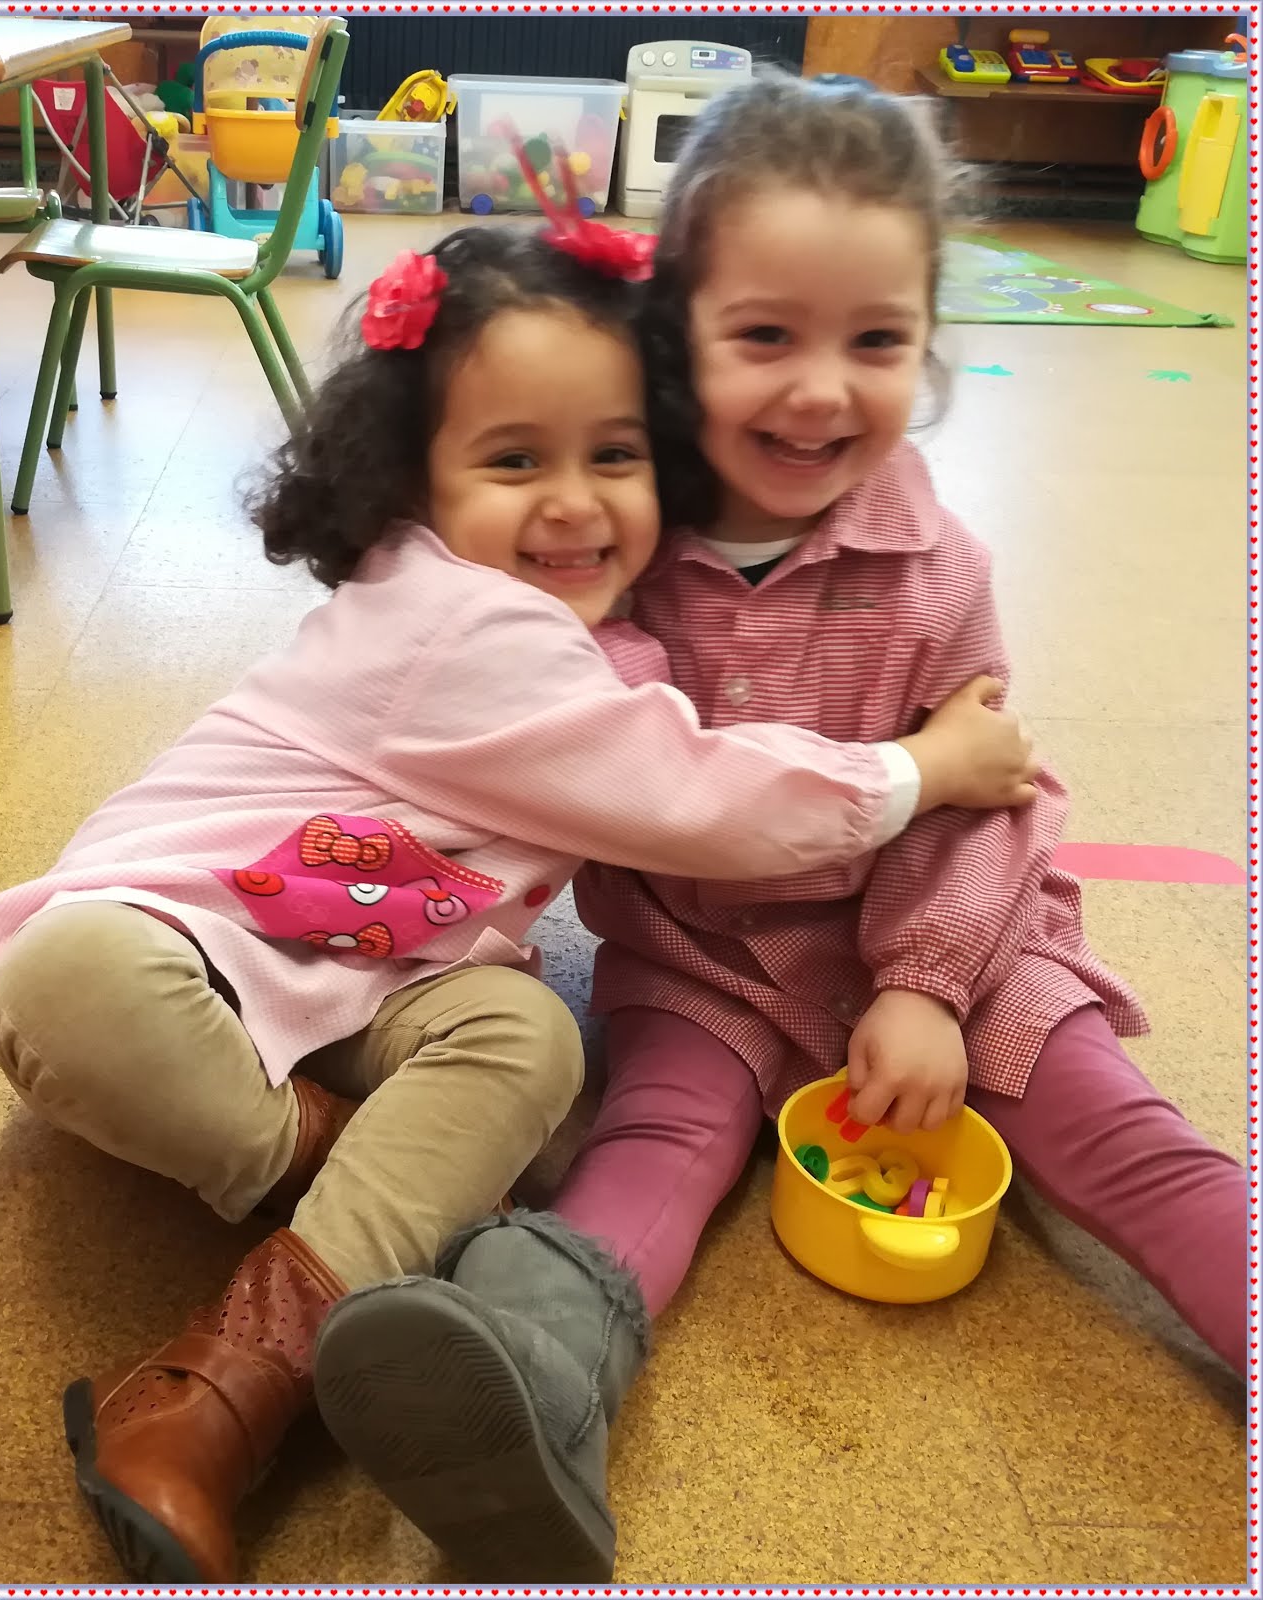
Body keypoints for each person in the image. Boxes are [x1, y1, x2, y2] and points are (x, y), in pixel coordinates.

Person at [0, 222, 1036, 1585]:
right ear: (412, 481)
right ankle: (356, 1183)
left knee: (531, 1037)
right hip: (201, 936)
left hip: (390, 972)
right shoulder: (462, 620)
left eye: (616, 457)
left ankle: (218, 1399)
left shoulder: (598, 634)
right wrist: (922, 770)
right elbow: (697, 791)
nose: (573, 504)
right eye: (515, 461)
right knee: (73, 976)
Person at [314, 73, 1249, 1584]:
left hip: (971, 953)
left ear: (927, 345)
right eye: (765, 336)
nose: (821, 392)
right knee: (654, 1145)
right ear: (674, 338)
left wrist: (925, 986)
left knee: (1122, 1136)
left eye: (875, 342)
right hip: (704, 964)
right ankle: (532, 1382)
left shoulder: (940, 565)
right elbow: (584, 741)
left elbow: (986, 793)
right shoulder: (615, 535)